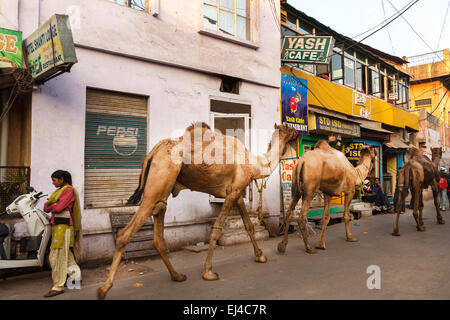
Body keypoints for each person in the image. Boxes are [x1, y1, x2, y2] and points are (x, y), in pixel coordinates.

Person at [43, 170, 82, 298]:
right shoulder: (59, 192)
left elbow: (57, 208)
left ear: (61, 179)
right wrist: (54, 204)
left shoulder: (68, 190)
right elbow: (46, 207)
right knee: (66, 255)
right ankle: (76, 279)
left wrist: (51, 205)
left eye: (54, 180)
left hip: (64, 228)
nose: (53, 182)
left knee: (57, 257)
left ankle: (57, 286)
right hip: (59, 227)